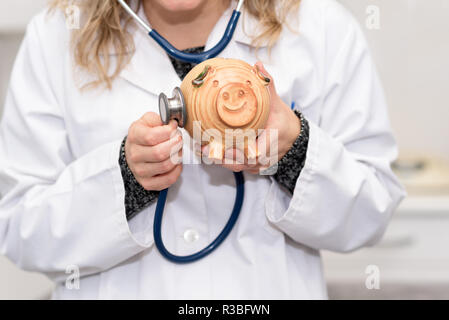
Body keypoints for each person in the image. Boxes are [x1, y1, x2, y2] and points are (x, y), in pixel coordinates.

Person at [0, 0, 405, 299]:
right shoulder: (57, 34)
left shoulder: (320, 27)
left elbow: (371, 212)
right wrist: (126, 179)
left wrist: (294, 149)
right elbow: (19, 229)